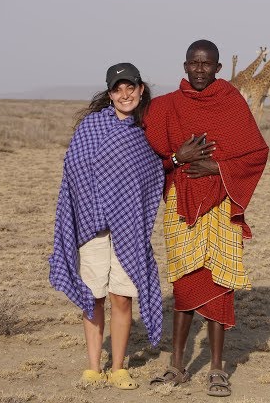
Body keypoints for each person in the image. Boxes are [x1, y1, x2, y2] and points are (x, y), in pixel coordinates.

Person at [144, 40, 269, 397]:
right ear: (185, 66)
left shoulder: (231, 103)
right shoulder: (165, 107)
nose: (200, 70)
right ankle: (177, 365)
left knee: (219, 283)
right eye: (194, 64)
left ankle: (217, 369)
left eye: (207, 64)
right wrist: (177, 158)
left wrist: (218, 166)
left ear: (217, 68)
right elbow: (151, 157)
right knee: (184, 282)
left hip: (220, 206)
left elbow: (256, 152)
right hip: (180, 205)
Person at [48, 63, 165, 390]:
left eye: (130, 88)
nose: (124, 94)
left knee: (121, 298)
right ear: (110, 92)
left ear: (141, 90)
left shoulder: (149, 129)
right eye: (118, 89)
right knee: (92, 296)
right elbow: (74, 167)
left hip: (129, 228)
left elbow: (155, 173)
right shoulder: (92, 126)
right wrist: (95, 208)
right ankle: (92, 367)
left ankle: (118, 368)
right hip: (92, 228)